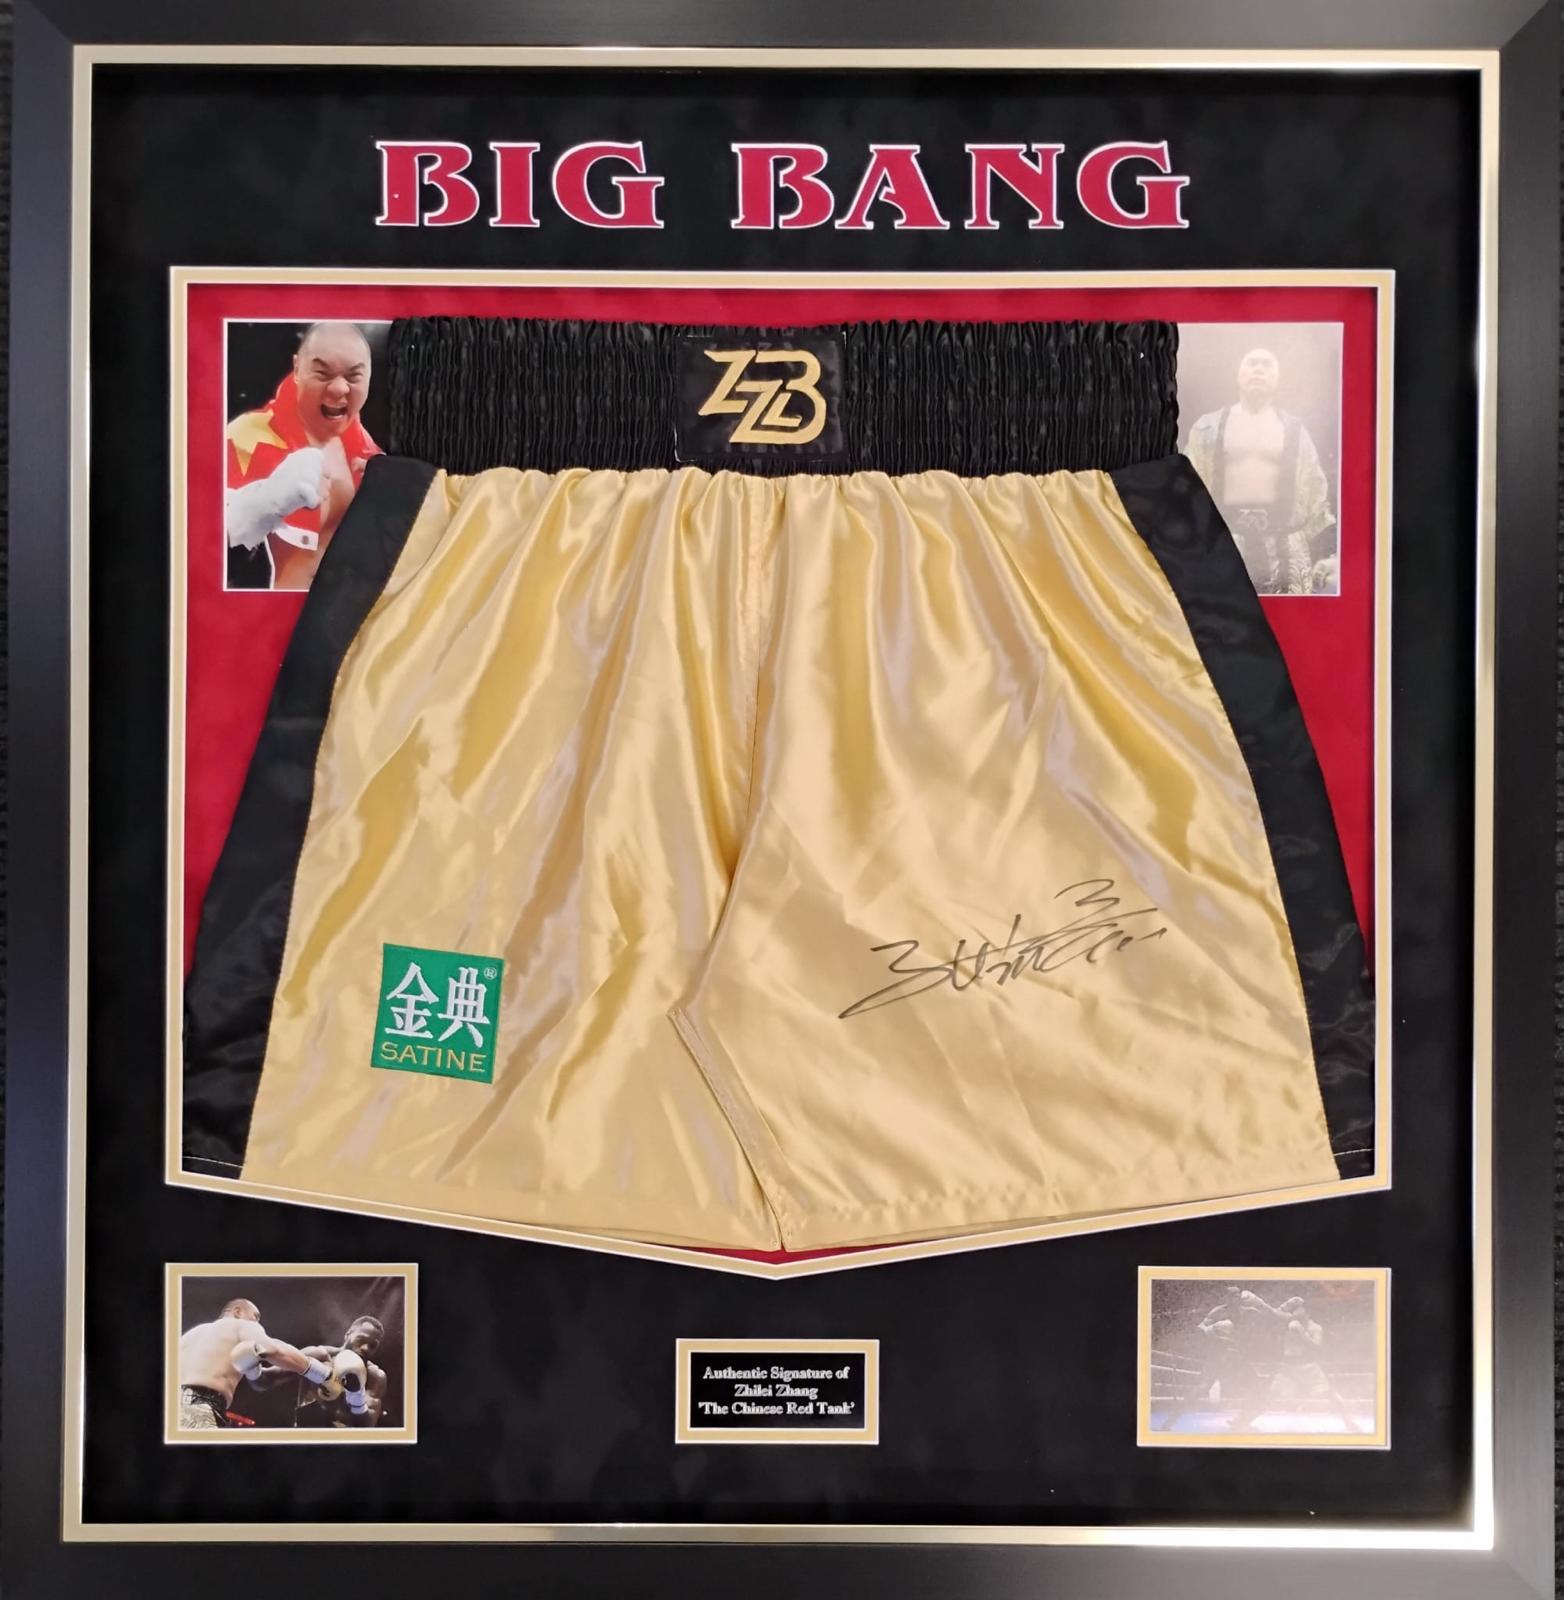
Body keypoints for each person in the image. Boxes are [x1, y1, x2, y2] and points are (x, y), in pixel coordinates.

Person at [224, 321, 381, 591]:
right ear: (297, 369)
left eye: (353, 376)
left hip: (356, 609)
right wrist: (266, 500)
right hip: (284, 610)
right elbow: (198, 542)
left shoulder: (364, 445)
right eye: (322, 373)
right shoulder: (247, 434)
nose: (339, 388)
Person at [1184, 347, 1337, 595]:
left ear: (1277, 379)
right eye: (1252, 363)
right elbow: (1187, 488)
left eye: (1267, 365)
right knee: (1219, 616)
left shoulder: (1296, 432)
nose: (1258, 369)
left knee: (1290, 618)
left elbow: (1316, 493)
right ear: (1238, 375)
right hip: (1223, 545)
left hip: (1286, 551)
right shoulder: (1206, 428)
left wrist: (1327, 552)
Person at [176, 1296, 333, 1431]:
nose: (257, 1323)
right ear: (238, 1312)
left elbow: (261, 1380)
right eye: (256, 1317)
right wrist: (323, 1374)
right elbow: (273, 1349)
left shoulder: (190, 1336)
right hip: (199, 1406)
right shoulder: (241, 1325)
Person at [289, 1314, 390, 1428]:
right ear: (347, 1335)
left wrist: (356, 1393)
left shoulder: (374, 1376)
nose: (365, 1348)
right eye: (361, 1339)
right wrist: (320, 1372)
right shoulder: (318, 1356)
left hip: (345, 1436)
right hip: (307, 1432)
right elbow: (274, 1375)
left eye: (373, 1345)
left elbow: (366, 1426)